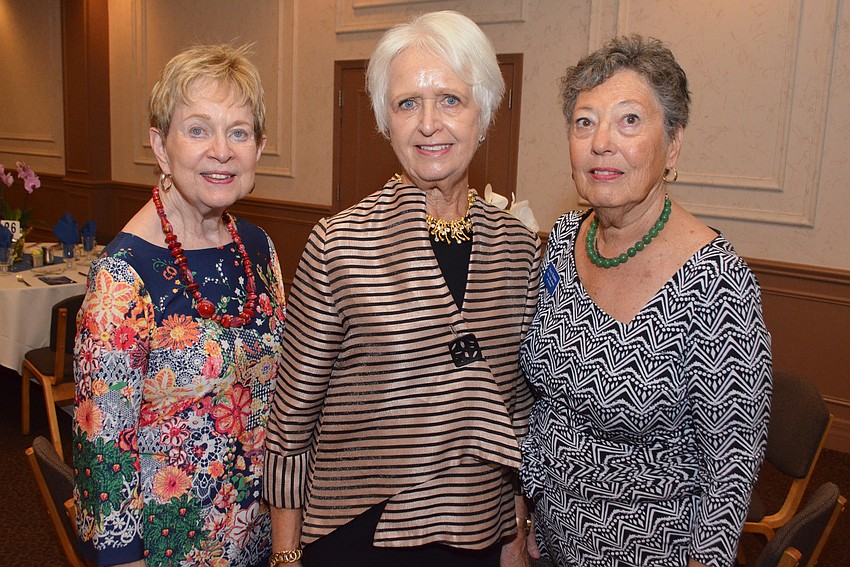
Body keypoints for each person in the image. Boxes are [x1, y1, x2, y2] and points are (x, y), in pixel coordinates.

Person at [263, 11, 540, 567]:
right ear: (385, 122)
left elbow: (516, 407)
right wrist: (285, 553)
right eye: (407, 103)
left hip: (477, 526)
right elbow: (292, 417)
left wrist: (515, 537)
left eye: (451, 101)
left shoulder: (519, 247)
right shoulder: (340, 243)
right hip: (361, 530)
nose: (428, 124)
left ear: (483, 112)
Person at [519, 35, 772, 567]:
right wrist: (527, 517)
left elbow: (731, 465)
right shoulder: (564, 240)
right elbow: (546, 400)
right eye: (584, 121)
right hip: (550, 541)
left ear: (673, 144)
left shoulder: (716, 281)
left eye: (629, 120)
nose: (601, 143)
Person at [73, 44, 286, 566]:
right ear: (160, 146)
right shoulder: (124, 277)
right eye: (197, 130)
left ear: (259, 148)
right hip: (171, 550)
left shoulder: (258, 247)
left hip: (262, 537)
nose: (222, 150)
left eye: (239, 132)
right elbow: (104, 458)